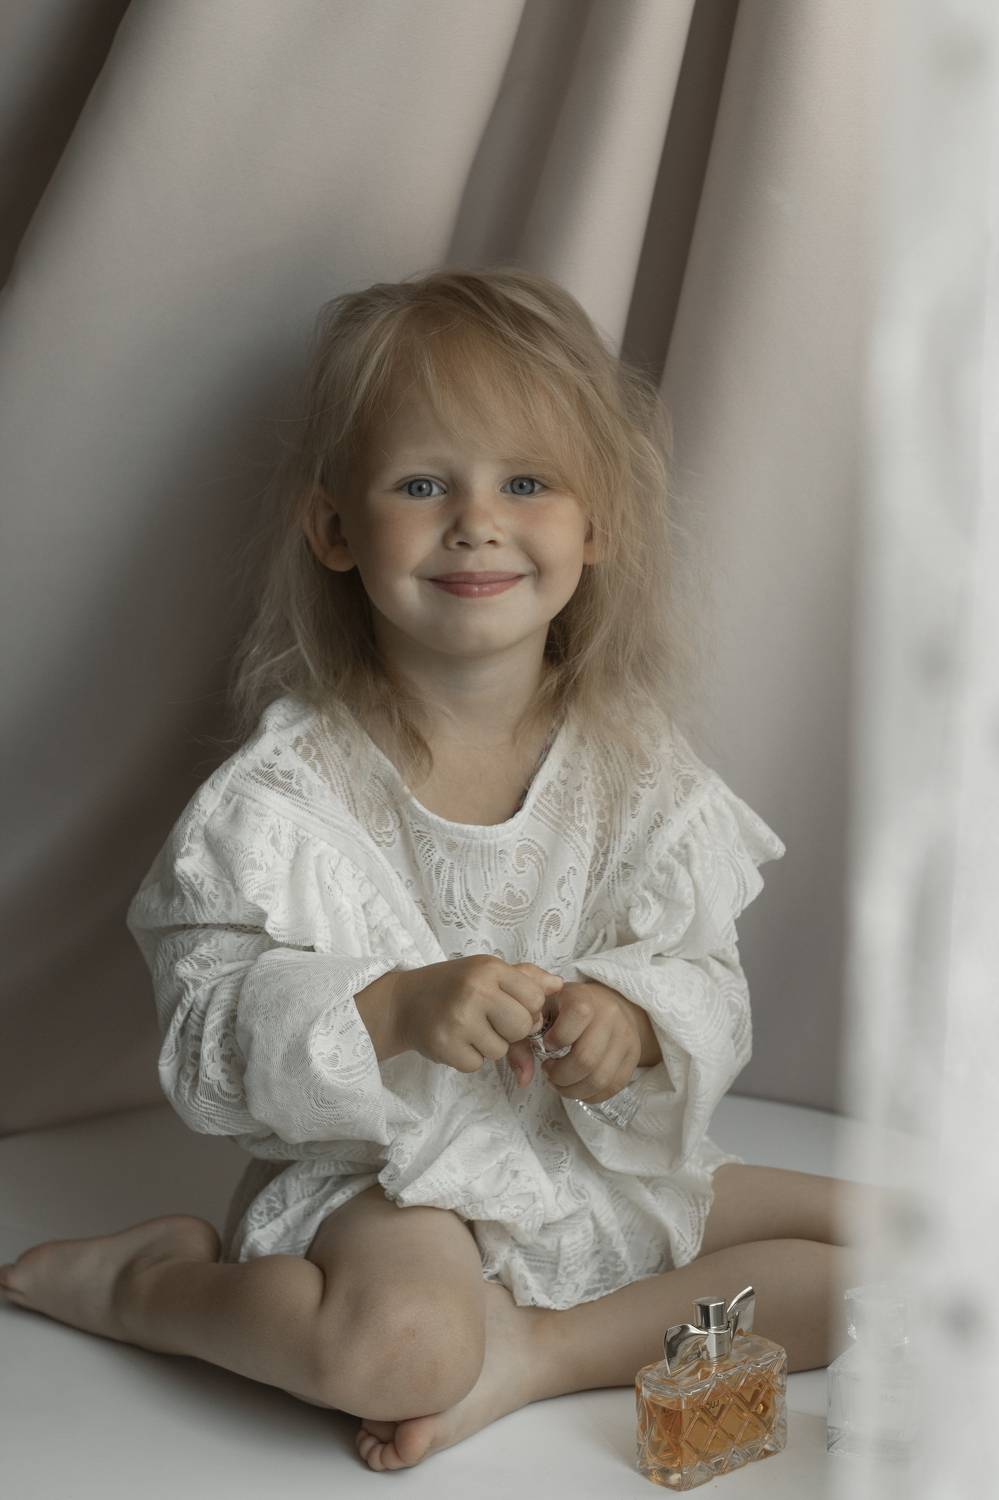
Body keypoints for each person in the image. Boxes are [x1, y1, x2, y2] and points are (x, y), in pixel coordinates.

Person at [0, 266, 892, 1473]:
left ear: (596, 525)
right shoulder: (288, 795)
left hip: (578, 1157)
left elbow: (703, 972)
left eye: (526, 483)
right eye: (424, 485)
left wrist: (633, 1019)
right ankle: (146, 1287)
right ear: (335, 530)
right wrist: (395, 1008)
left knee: (900, 1250)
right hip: (390, 1179)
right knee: (404, 1351)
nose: (476, 521)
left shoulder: (635, 766)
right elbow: (208, 1039)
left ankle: (536, 1351)